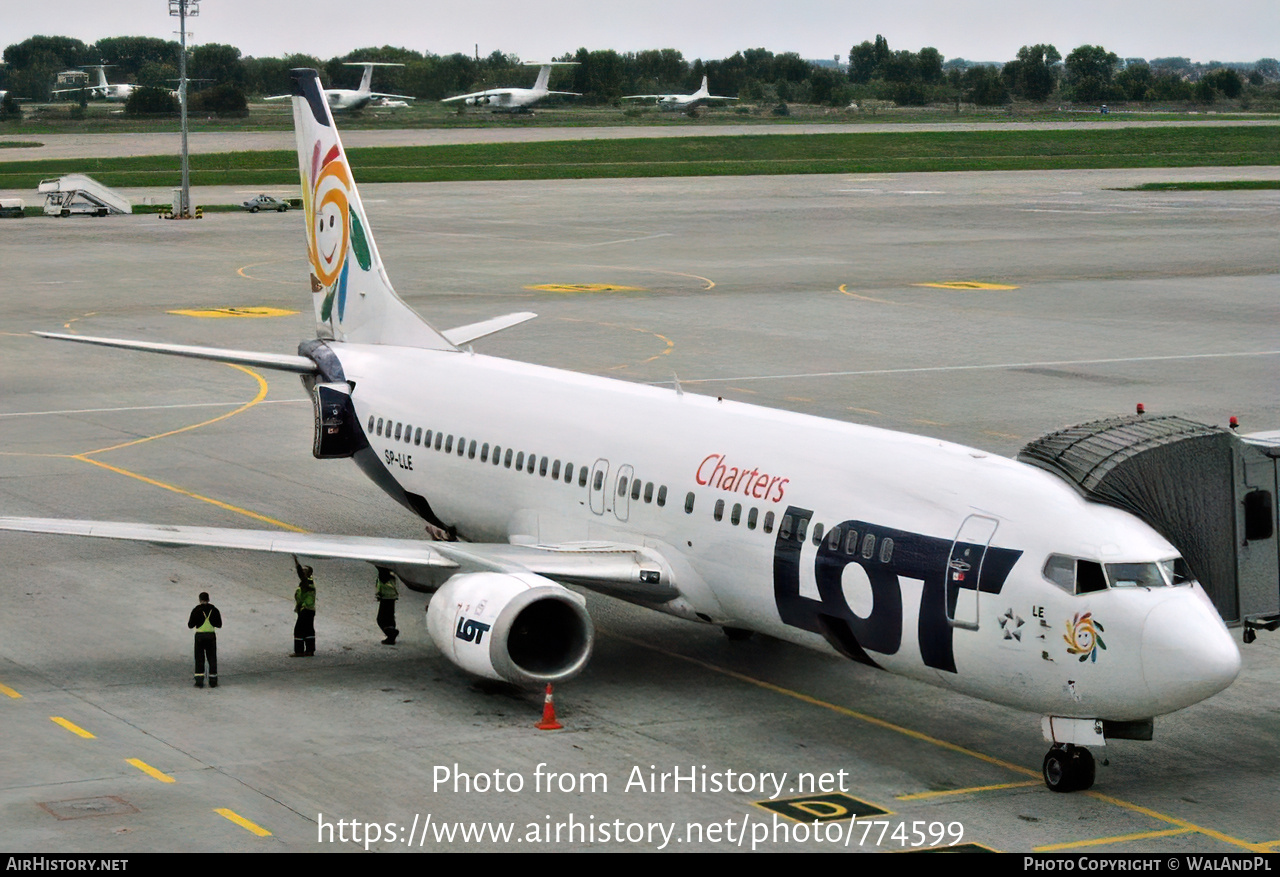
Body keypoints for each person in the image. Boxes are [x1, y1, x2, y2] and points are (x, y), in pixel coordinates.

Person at [187, 591, 222, 688]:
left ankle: (199, 681)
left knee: (199, 658)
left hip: (199, 637)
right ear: (208, 599)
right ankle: (213, 681)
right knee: (212, 658)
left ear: (200, 600)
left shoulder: (196, 610)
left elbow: (190, 625)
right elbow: (219, 624)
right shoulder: (214, 610)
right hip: (211, 636)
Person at [292, 555, 316, 656]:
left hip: (306, 610)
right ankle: (310, 650)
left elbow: (301, 575)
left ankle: (299, 652)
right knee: (308, 630)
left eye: (305, 570)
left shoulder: (307, 582)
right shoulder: (307, 582)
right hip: (308, 610)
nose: (303, 570)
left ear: (309, 573)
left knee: (299, 630)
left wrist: (296, 562)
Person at [375, 566, 399, 645]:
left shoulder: (384, 577)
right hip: (392, 598)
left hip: (385, 598)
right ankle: (391, 635)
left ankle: (391, 634)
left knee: (381, 619)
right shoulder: (391, 575)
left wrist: (379, 595)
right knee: (390, 617)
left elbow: (381, 586)